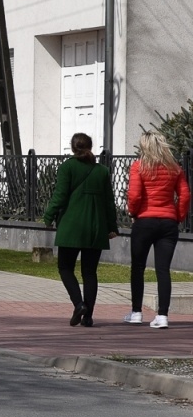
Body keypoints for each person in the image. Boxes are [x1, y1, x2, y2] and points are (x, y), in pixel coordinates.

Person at [42, 131, 119, 328]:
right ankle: (88, 317)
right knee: (90, 272)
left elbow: (60, 195)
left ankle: (79, 304)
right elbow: (109, 202)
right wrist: (112, 227)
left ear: (73, 147)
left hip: (71, 227)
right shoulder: (101, 171)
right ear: (90, 147)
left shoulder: (67, 167)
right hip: (96, 228)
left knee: (65, 268)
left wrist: (48, 216)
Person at [125, 131, 189, 328]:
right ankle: (162, 316)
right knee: (163, 270)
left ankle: (136, 312)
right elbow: (185, 195)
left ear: (144, 146)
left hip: (144, 221)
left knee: (138, 267)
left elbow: (134, 196)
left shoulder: (139, 167)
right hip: (168, 223)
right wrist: (177, 216)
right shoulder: (174, 168)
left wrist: (133, 213)